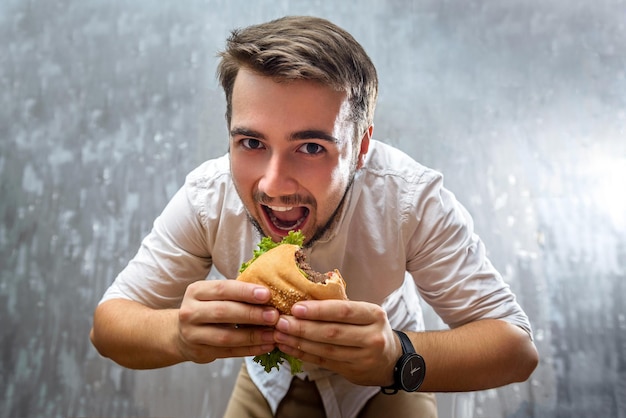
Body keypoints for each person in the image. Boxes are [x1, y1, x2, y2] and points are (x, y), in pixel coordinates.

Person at [90, 15, 538, 418]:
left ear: (362, 147)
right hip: (268, 383)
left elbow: (517, 348)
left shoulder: (410, 199)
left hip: (386, 381)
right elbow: (108, 326)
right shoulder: (208, 199)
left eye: (310, 148)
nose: (273, 184)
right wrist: (178, 336)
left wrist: (395, 357)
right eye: (251, 143)